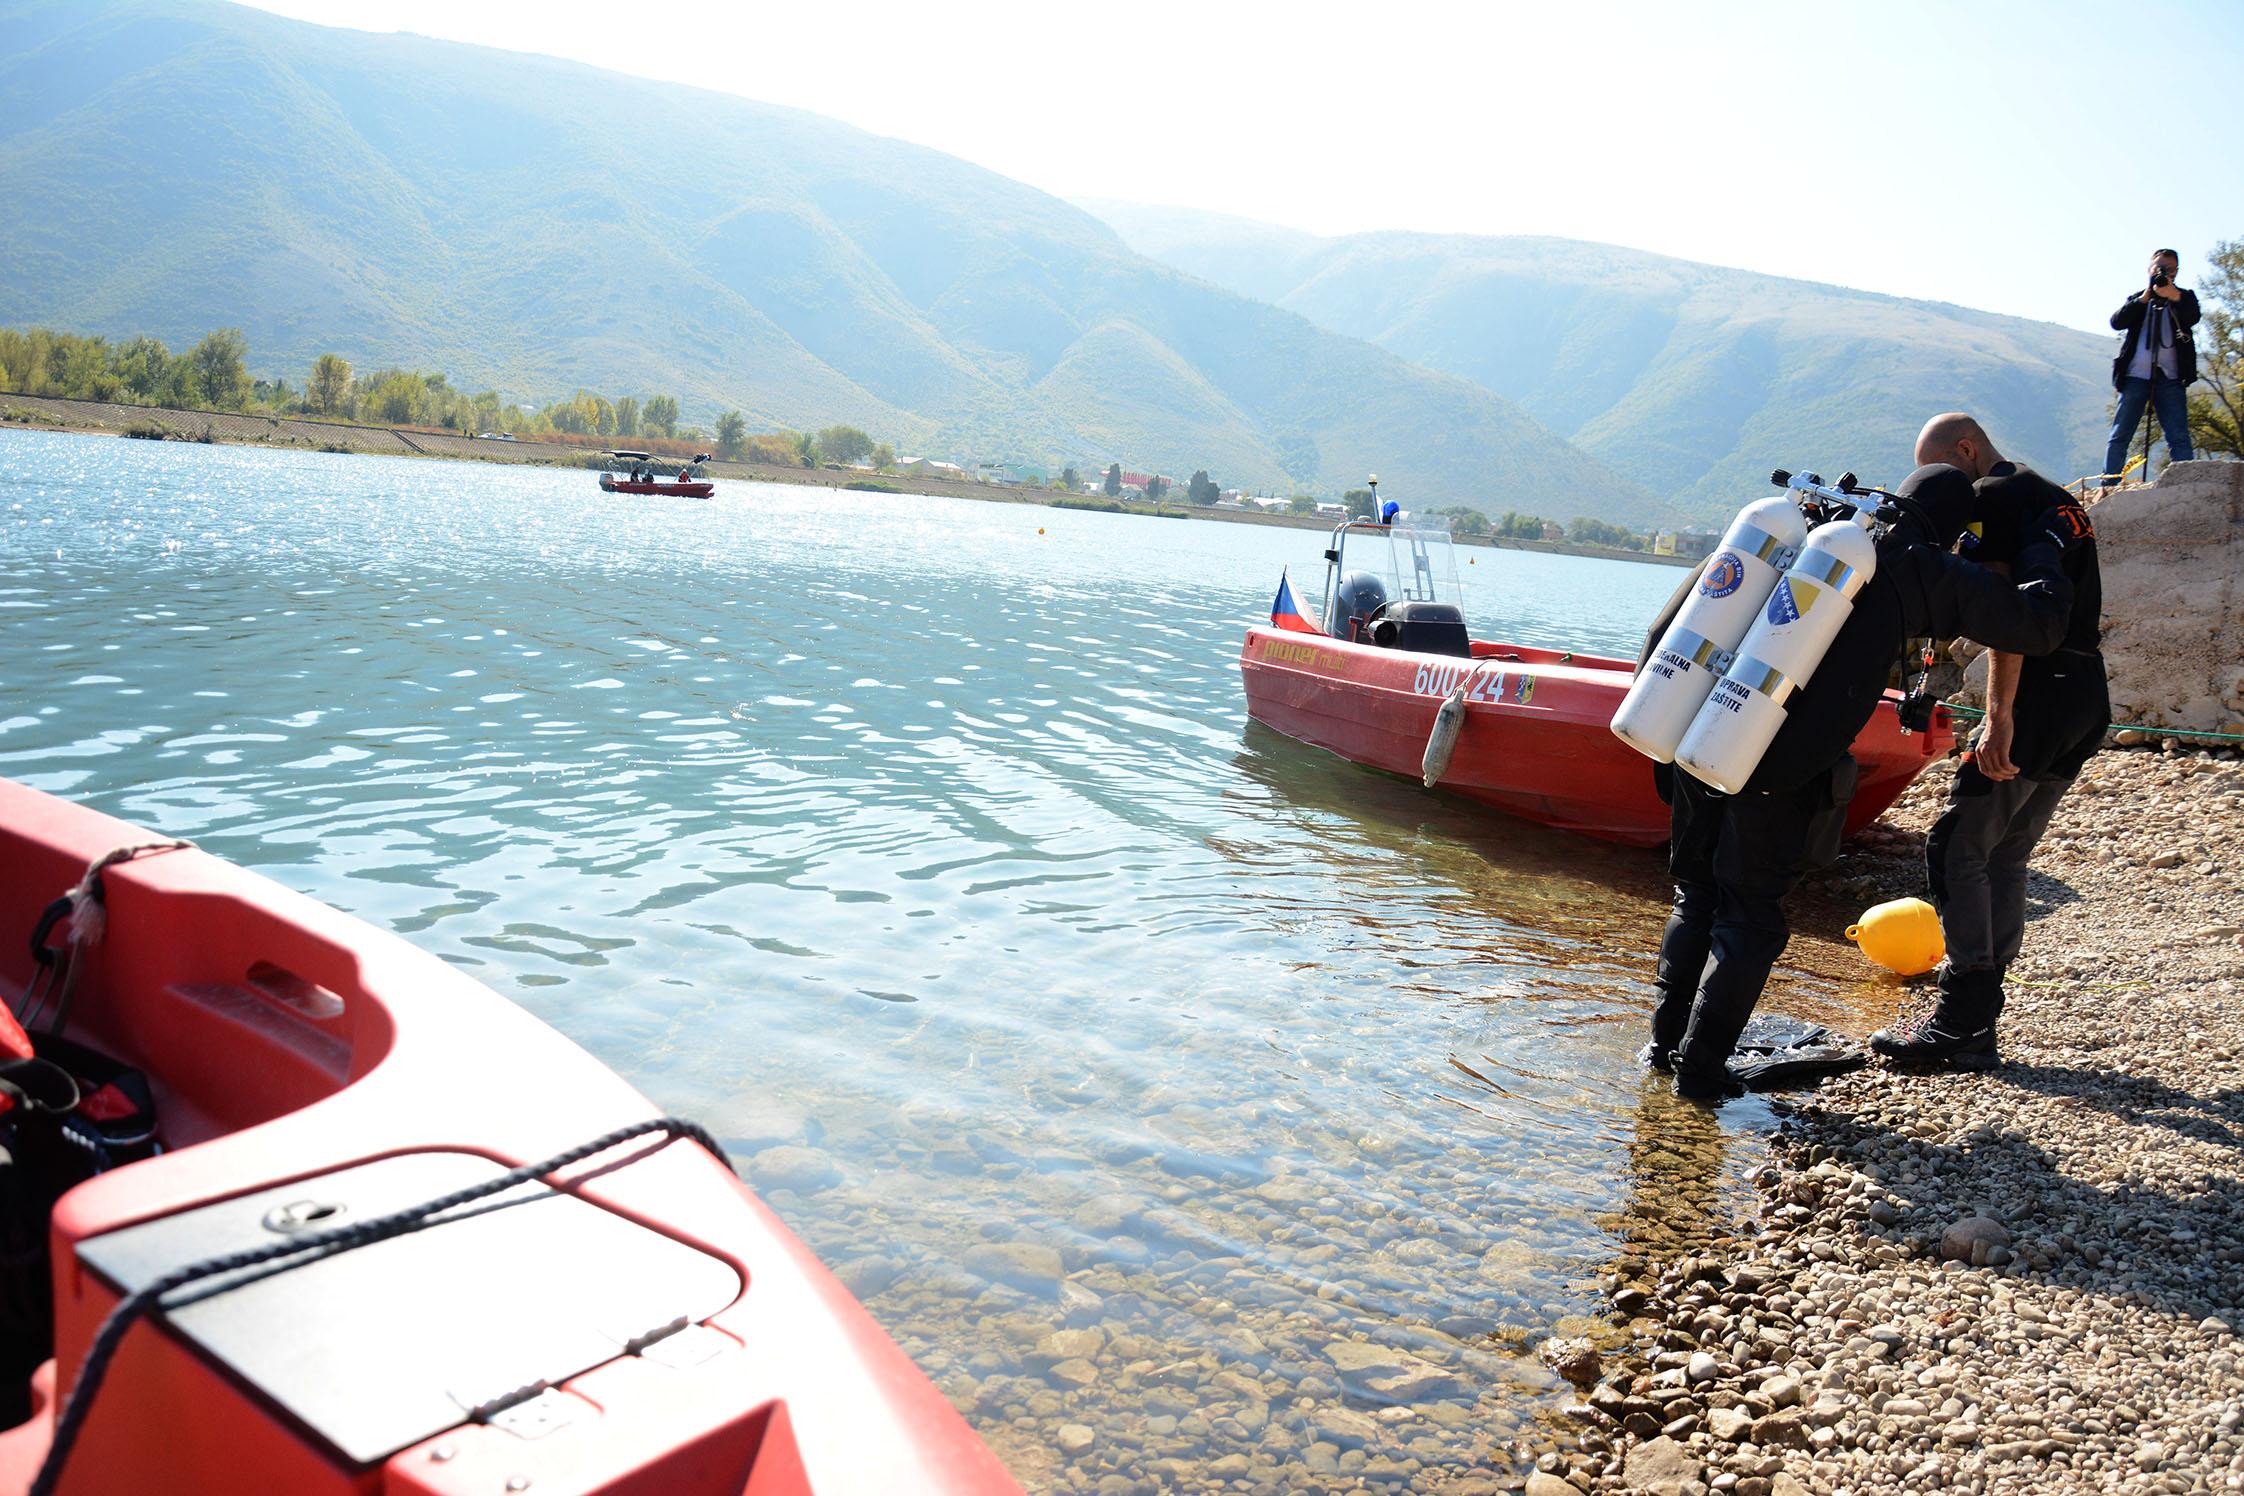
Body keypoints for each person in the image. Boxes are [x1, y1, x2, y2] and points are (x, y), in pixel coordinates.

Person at [1642, 465, 2081, 1102]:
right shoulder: (1917, 567)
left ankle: (1663, 1048)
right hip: (1778, 767)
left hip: (1696, 724)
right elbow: (2037, 627)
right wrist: (2045, 545)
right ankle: (1702, 1070)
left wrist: (1668, 742)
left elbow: (1672, 626)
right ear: (1953, 531)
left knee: (1696, 893)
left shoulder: (1803, 534)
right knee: (1751, 915)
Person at [1870, 415, 2107, 1069]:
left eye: (1944, 470)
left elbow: (2012, 616)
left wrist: (1999, 715)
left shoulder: (1994, 499)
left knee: (1957, 848)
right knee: (2004, 854)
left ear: (1966, 451)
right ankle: (1977, 1021)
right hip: (2086, 690)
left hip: (2038, 689)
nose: (1944, 490)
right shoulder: (2056, 497)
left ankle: (1961, 1019)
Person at [2102, 248, 2200, 486]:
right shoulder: (2139, 298)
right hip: (2136, 375)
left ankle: (2184, 485)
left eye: (2168, 268)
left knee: (2178, 436)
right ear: (2149, 269)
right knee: (2120, 435)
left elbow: (2193, 316)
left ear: (2176, 272)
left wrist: (2173, 295)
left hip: (2171, 377)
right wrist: (2145, 298)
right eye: (2158, 267)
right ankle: (2109, 484)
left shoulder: (2185, 297)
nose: (2162, 271)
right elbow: (2117, 322)